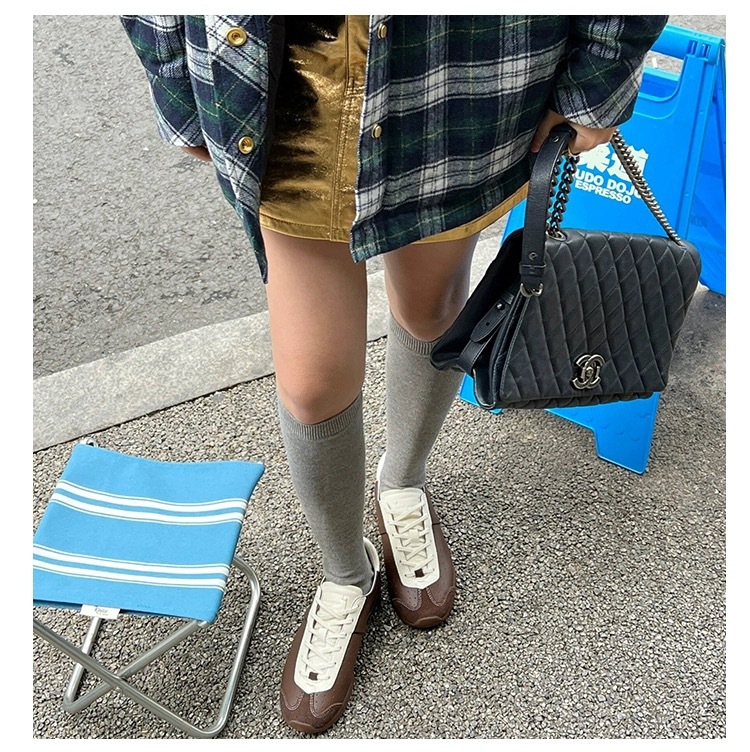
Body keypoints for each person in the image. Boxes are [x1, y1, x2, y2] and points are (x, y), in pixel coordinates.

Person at [120, 15, 668, 735]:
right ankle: (346, 572)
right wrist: (171, 71)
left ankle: (402, 483)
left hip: (457, 73)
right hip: (285, 83)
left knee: (432, 311)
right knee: (312, 381)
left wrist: (599, 76)